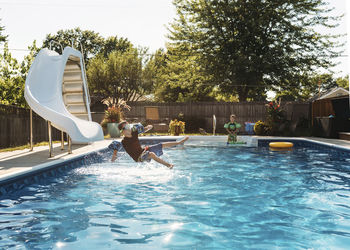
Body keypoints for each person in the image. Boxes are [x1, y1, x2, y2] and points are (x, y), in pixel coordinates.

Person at [108, 121, 189, 169]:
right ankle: (168, 165)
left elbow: (147, 128)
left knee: (161, 145)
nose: (129, 128)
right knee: (151, 154)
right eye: (126, 127)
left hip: (143, 151)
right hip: (138, 158)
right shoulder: (122, 142)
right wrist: (111, 163)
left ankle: (179, 143)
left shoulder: (135, 132)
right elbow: (114, 155)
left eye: (129, 125)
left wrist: (148, 127)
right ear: (123, 131)